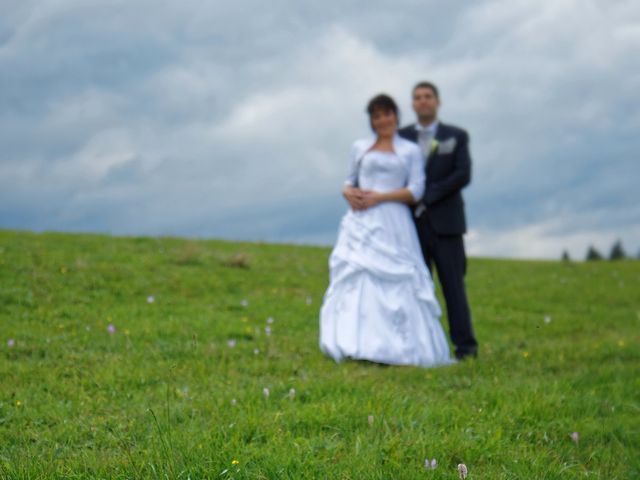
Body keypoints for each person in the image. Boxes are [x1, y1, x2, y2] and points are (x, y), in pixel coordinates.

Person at [319, 94, 453, 367]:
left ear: (396, 116)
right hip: (361, 221)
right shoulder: (360, 147)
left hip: (394, 221)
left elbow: (416, 189)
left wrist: (380, 197)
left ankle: (398, 348)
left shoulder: (409, 151)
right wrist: (347, 192)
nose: (383, 120)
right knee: (360, 277)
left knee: (398, 281)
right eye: (377, 116)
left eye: (387, 114)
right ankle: (356, 344)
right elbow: (348, 180)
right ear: (372, 121)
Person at [398, 81, 478, 360]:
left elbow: (462, 174)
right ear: (412, 104)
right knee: (414, 289)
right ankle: (418, 348)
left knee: (453, 288)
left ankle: (465, 347)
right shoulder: (400, 137)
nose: (423, 101)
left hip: (447, 225)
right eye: (417, 97)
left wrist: (426, 196)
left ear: (437, 102)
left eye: (428, 96)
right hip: (410, 228)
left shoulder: (456, 135)